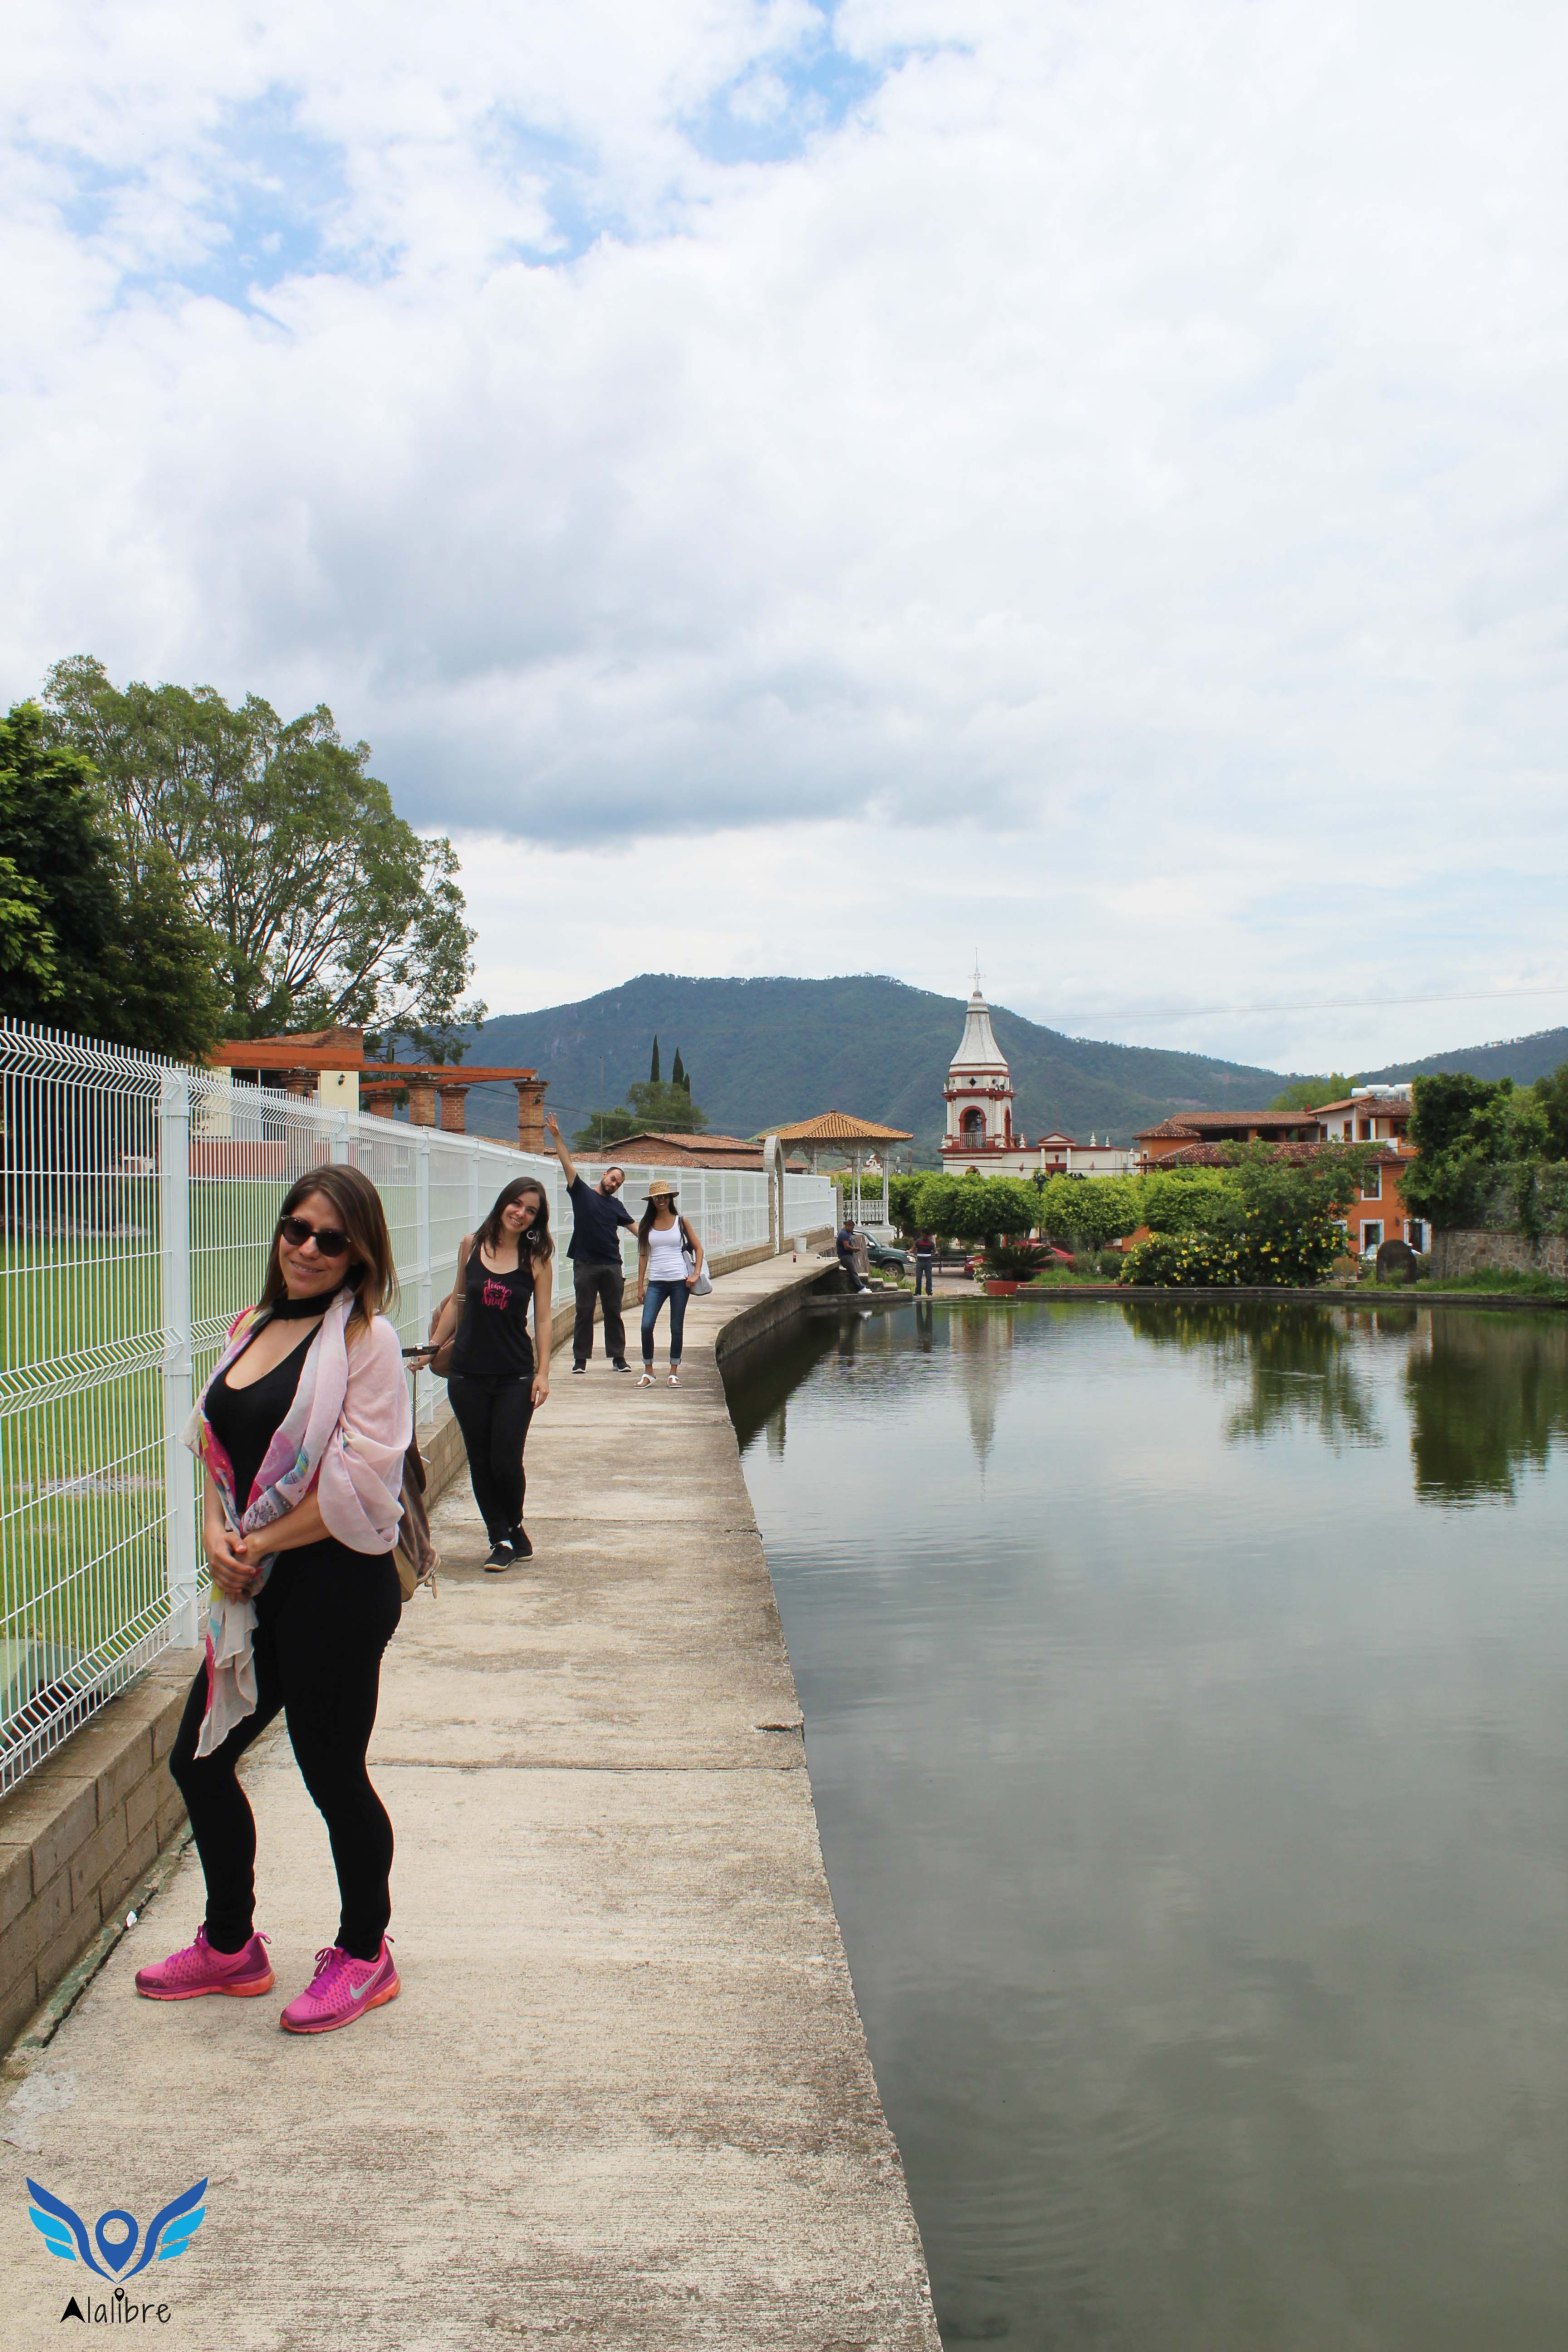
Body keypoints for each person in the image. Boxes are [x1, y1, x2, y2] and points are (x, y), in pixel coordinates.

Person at [136, 1166, 410, 2035]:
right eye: (297, 1229)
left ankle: (365, 1953)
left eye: (331, 1239)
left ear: (359, 1251)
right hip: (253, 1586)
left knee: (332, 1774)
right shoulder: (249, 1326)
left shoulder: (367, 1340)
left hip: (336, 1587)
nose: (308, 1249)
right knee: (199, 1760)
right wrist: (216, 1531)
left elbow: (362, 1483)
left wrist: (253, 1544)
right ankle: (231, 1946)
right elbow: (215, 1447)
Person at [421, 1177, 553, 1571]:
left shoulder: (536, 1258)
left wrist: (543, 1372)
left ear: (536, 1219)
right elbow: (457, 1302)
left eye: (531, 1211)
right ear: (503, 1203)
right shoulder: (471, 1245)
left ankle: (514, 1522)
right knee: (479, 1459)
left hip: (515, 1374)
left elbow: (543, 1319)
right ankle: (501, 1537)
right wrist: (432, 1346)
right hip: (467, 1374)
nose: (521, 1214)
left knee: (505, 1460)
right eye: (516, 1204)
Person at [545, 1110, 636, 1374]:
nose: (614, 1184)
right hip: (585, 1263)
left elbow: (637, 1230)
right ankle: (580, 1360)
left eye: (618, 1183)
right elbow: (567, 1165)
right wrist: (557, 1137)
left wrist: (663, 1232)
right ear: (604, 1174)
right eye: (612, 1178)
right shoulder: (582, 1193)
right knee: (584, 1311)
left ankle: (618, 1358)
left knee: (613, 1311)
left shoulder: (616, 1206)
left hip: (611, 1265)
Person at [636, 1177, 705, 1386]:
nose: (661, 1200)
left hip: (679, 1282)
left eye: (665, 1196)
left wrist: (696, 1274)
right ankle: (648, 1371)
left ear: (670, 1198)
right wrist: (640, 1286)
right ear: (652, 1200)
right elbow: (643, 1255)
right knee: (646, 1325)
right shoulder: (646, 1224)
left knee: (676, 1326)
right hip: (656, 1281)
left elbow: (698, 1248)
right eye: (657, 1197)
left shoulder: (681, 1221)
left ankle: (673, 1372)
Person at [837, 1215, 870, 1293]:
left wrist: (853, 1249)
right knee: (853, 1272)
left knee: (853, 1271)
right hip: (845, 1257)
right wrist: (855, 1249)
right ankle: (860, 1288)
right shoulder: (844, 1234)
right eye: (852, 1228)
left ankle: (861, 1287)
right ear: (848, 1226)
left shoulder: (847, 1233)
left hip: (848, 1255)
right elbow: (846, 1247)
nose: (852, 1229)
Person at [913, 1230, 936, 1296]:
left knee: (928, 1277)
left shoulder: (931, 1243)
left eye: (925, 1235)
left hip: (927, 1261)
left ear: (928, 1235)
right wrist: (909, 1251)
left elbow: (934, 1251)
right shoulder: (918, 1242)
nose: (924, 1236)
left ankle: (929, 1292)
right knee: (918, 1277)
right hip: (919, 1261)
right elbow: (913, 1248)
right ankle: (918, 1292)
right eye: (923, 1234)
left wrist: (935, 1253)